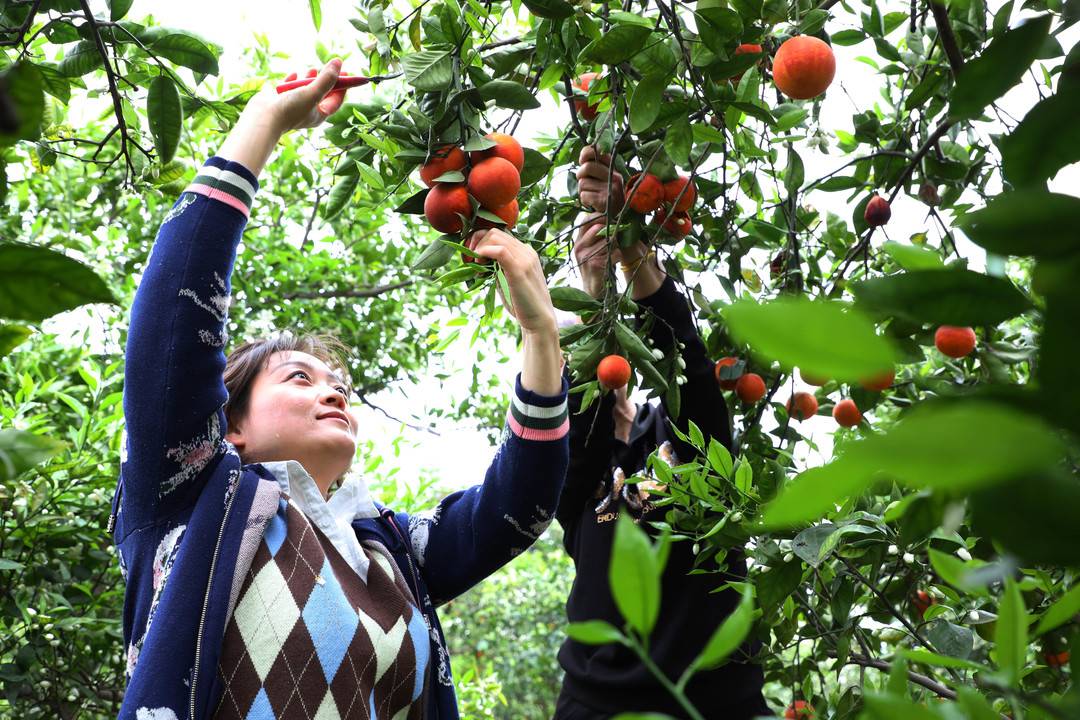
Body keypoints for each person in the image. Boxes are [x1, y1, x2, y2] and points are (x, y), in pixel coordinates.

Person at [111, 59, 569, 720]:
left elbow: (518, 506)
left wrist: (539, 334)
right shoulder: (191, 498)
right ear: (229, 425)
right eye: (300, 377)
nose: (335, 394)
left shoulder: (388, 547)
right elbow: (171, 327)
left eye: (340, 385)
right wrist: (264, 120)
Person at [553, 147, 768, 718]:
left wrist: (632, 252)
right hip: (596, 705)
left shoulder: (685, 437)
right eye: (582, 346)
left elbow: (692, 370)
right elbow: (577, 428)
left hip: (715, 704)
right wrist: (591, 285)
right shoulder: (576, 478)